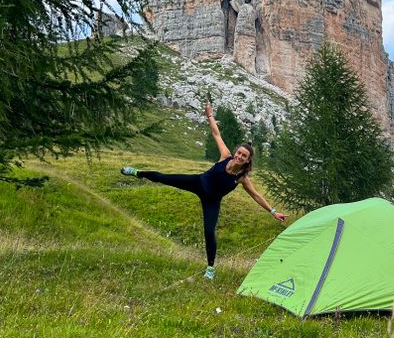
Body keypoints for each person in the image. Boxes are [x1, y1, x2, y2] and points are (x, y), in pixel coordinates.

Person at [121, 103, 286, 279]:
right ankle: (138, 173)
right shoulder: (225, 155)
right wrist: (210, 115)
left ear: (247, 161)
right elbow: (216, 133)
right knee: (163, 177)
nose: (239, 156)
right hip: (198, 182)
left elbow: (256, 195)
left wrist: (272, 211)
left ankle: (210, 268)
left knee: (209, 231)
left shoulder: (242, 178)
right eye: (239, 153)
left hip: (212, 201)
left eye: (243, 156)